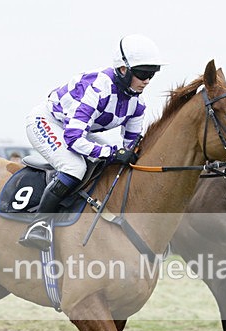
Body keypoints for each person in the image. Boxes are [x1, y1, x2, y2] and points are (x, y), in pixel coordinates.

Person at [18, 34, 165, 250]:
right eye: (143, 73)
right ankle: (39, 224)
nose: (147, 80)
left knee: (113, 164)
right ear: (123, 69)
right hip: (46, 121)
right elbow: (73, 138)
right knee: (75, 167)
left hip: (77, 129)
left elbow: (131, 146)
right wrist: (112, 152)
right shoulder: (97, 88)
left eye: (152, 74)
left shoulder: (137, 104)